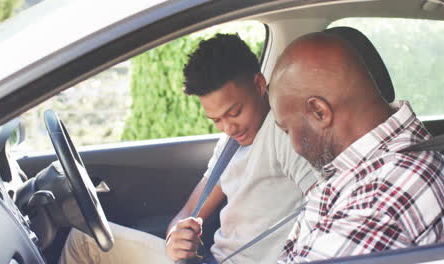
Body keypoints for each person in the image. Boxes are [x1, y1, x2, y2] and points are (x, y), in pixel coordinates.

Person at [60, 34, 318, 264]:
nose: (228, 128)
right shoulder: (229, 145)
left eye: (234, 112)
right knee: (84, 238)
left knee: (83, 243)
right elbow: (189, 212)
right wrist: (176, 237)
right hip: (210, 259)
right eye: (216, 120)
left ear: (260, 84)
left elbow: (325, 210)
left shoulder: (284, 134)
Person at [268, 32, 444, 263]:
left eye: (287, 130)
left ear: (319, 112)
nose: (294, 146)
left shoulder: (377, 202)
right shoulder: (389, 153)